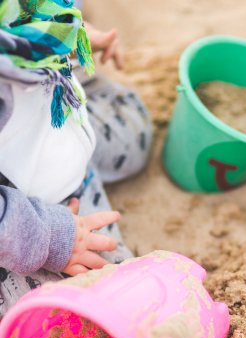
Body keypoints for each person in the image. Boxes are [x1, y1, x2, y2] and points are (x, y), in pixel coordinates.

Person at [0, 0, 152, 317]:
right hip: (25, 213)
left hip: (53, 123)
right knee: (86, 308)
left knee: (134, 135)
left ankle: (72, 81)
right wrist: (51, 239)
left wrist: (70, 34)